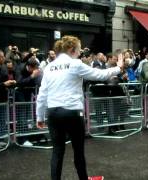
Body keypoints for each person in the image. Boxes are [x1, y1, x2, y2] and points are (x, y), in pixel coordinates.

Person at [36, 35, 124, 180]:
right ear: (71, 50)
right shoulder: (75, 64)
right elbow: (100, 75)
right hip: (72, 112)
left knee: (57, 151)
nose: (80, 52)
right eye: (78, 50)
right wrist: (118, 68)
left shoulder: (49, 66)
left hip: (53, 112)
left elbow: (42, 94)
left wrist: (39, 116)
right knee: (78, 150)